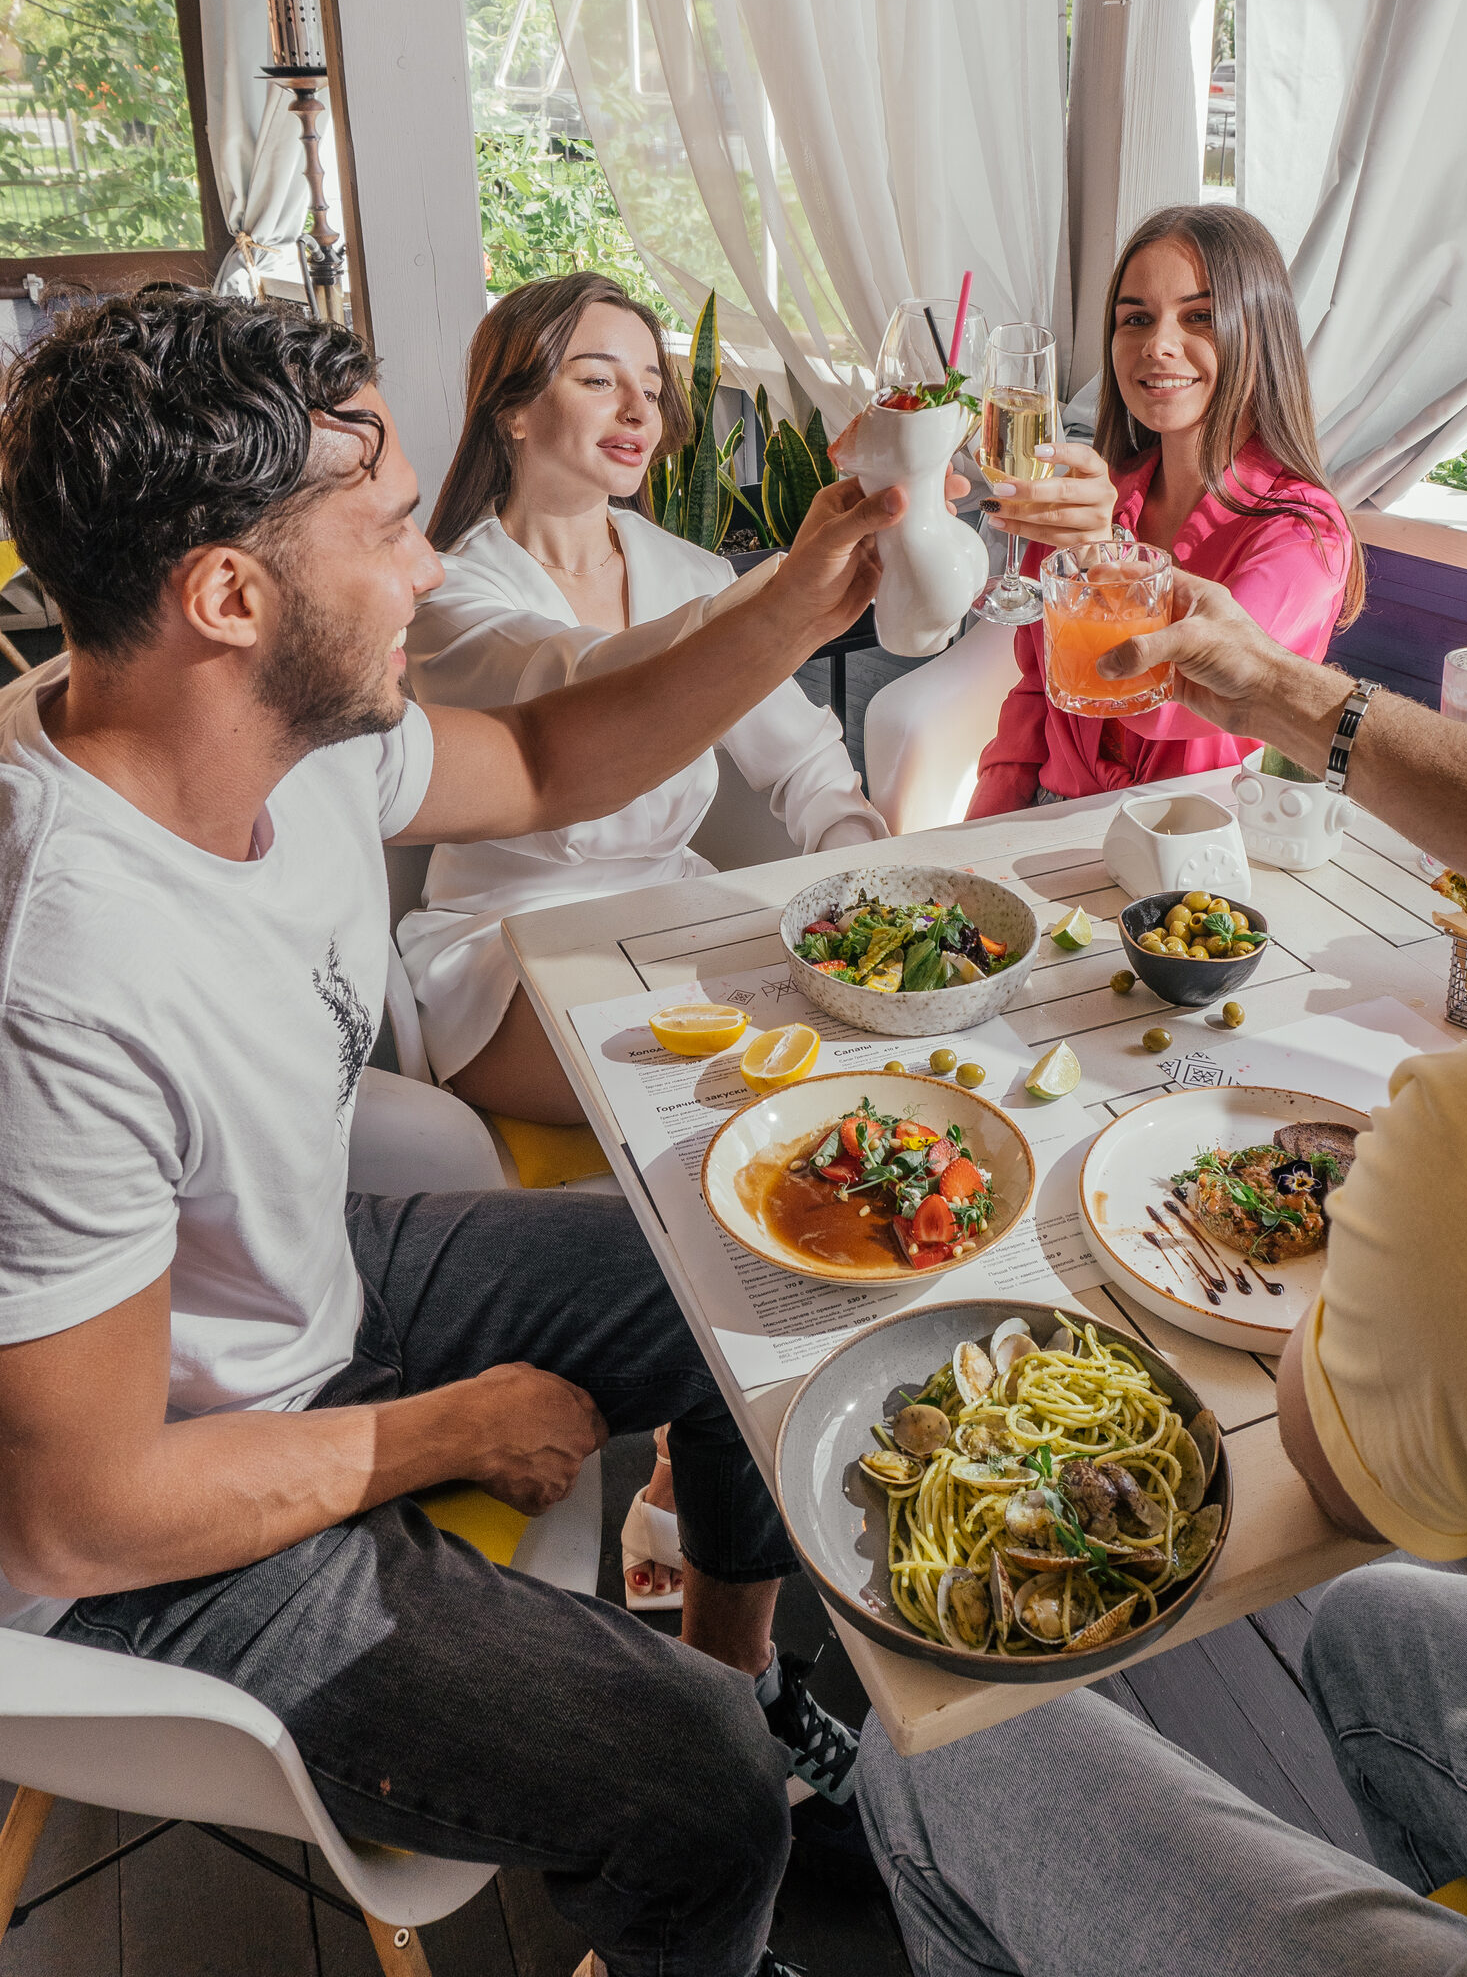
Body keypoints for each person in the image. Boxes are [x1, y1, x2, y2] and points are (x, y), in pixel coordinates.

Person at [0, 292, 905, 1977]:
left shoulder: (288, 724)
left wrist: (793, 600)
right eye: (395, 526)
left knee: (745, 1269)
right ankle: (719, 1800)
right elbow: (85, 1516)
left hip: (287, 1309)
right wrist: (443, 1431)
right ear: (227, 594)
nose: (430, 567)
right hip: (138, 1532)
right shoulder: (60, 960)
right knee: (703, 1798)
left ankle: (740, 1683)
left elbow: (554, 754)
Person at [858, 243, 1467, 1973]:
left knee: (934, 1755)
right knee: (1378, 1640)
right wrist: (1275, 690)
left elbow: (1340, 1458)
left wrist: (1382, 1275)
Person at [399, 272, 887, 1132]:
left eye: (652, 389)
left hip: (672, 912)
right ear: (512, 410)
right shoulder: (450, 599)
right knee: (712, 1098)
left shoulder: (691, 574)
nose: (638, 410)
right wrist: (765, 608)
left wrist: (866, 885)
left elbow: (804, 760)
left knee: (855, 1043)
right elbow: (581, 681)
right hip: (506, 944)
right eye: (598, 380)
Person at [967, 204, 1361, 815]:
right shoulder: (1100, 496)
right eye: (1136, 319)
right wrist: (975, 845)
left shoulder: (1303, 534)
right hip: (1049, 822)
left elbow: (1164, 702)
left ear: (1261, 331)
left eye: (1199, 317)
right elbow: (1036, 692)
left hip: (1192, 853)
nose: (1158, 345)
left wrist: (1103, 555)